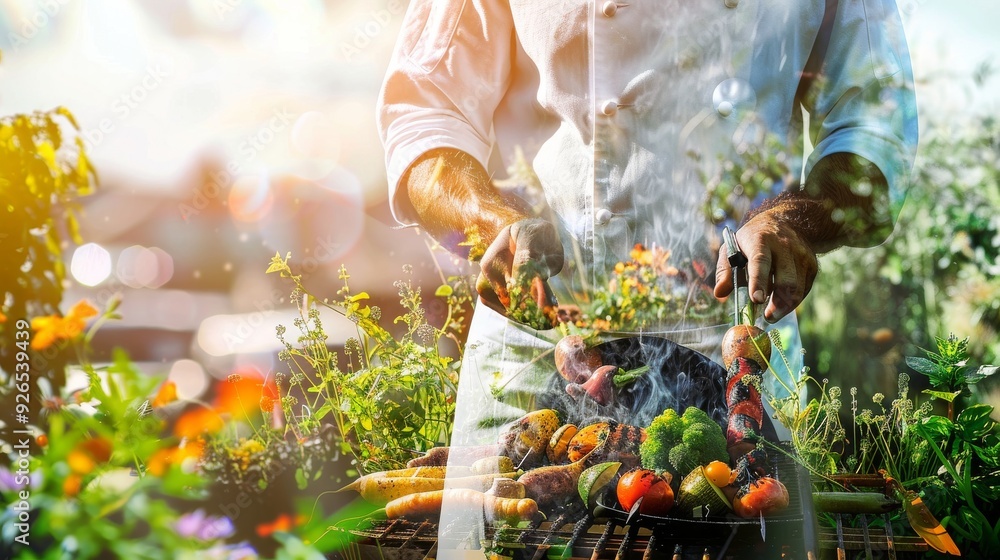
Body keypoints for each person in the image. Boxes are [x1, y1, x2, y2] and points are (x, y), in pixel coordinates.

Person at [377, 0, 916, 547]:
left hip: (735, 341)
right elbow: (426, 111)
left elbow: (875, 125)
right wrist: (496, 220)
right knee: (496, 547)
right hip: (540, 328)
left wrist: (793, 222)